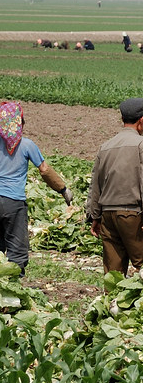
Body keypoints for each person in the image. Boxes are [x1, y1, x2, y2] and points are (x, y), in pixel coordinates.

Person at [86, 97, 143, 275]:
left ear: (123, 120)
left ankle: (110, 302)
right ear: (142, 120)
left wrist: (94, 215)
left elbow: (96, 183)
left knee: (113, 273)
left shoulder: (106, 146)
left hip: (108, 216)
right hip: (133, 214)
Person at [0, 101, 72, 273]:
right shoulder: (26, 145)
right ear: (21, 123)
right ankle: (13, 284)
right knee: (16, 248)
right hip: (13, 203)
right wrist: (63, 189)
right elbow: (45, 170)